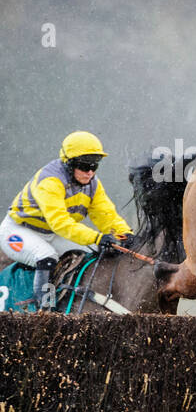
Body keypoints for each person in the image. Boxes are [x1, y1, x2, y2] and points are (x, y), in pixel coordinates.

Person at [1, 131, 135, 308]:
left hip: (52, 234)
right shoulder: (50, 181)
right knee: (45, 257)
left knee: (99, 250)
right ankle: (43, 311)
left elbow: (106, 215)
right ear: (69, 163)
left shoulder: (93, 184)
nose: (89, 172)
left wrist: (125, 234)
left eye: (94, 166)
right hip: (18, 231)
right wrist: (97, 237)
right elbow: (61, 223)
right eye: (84, 165)